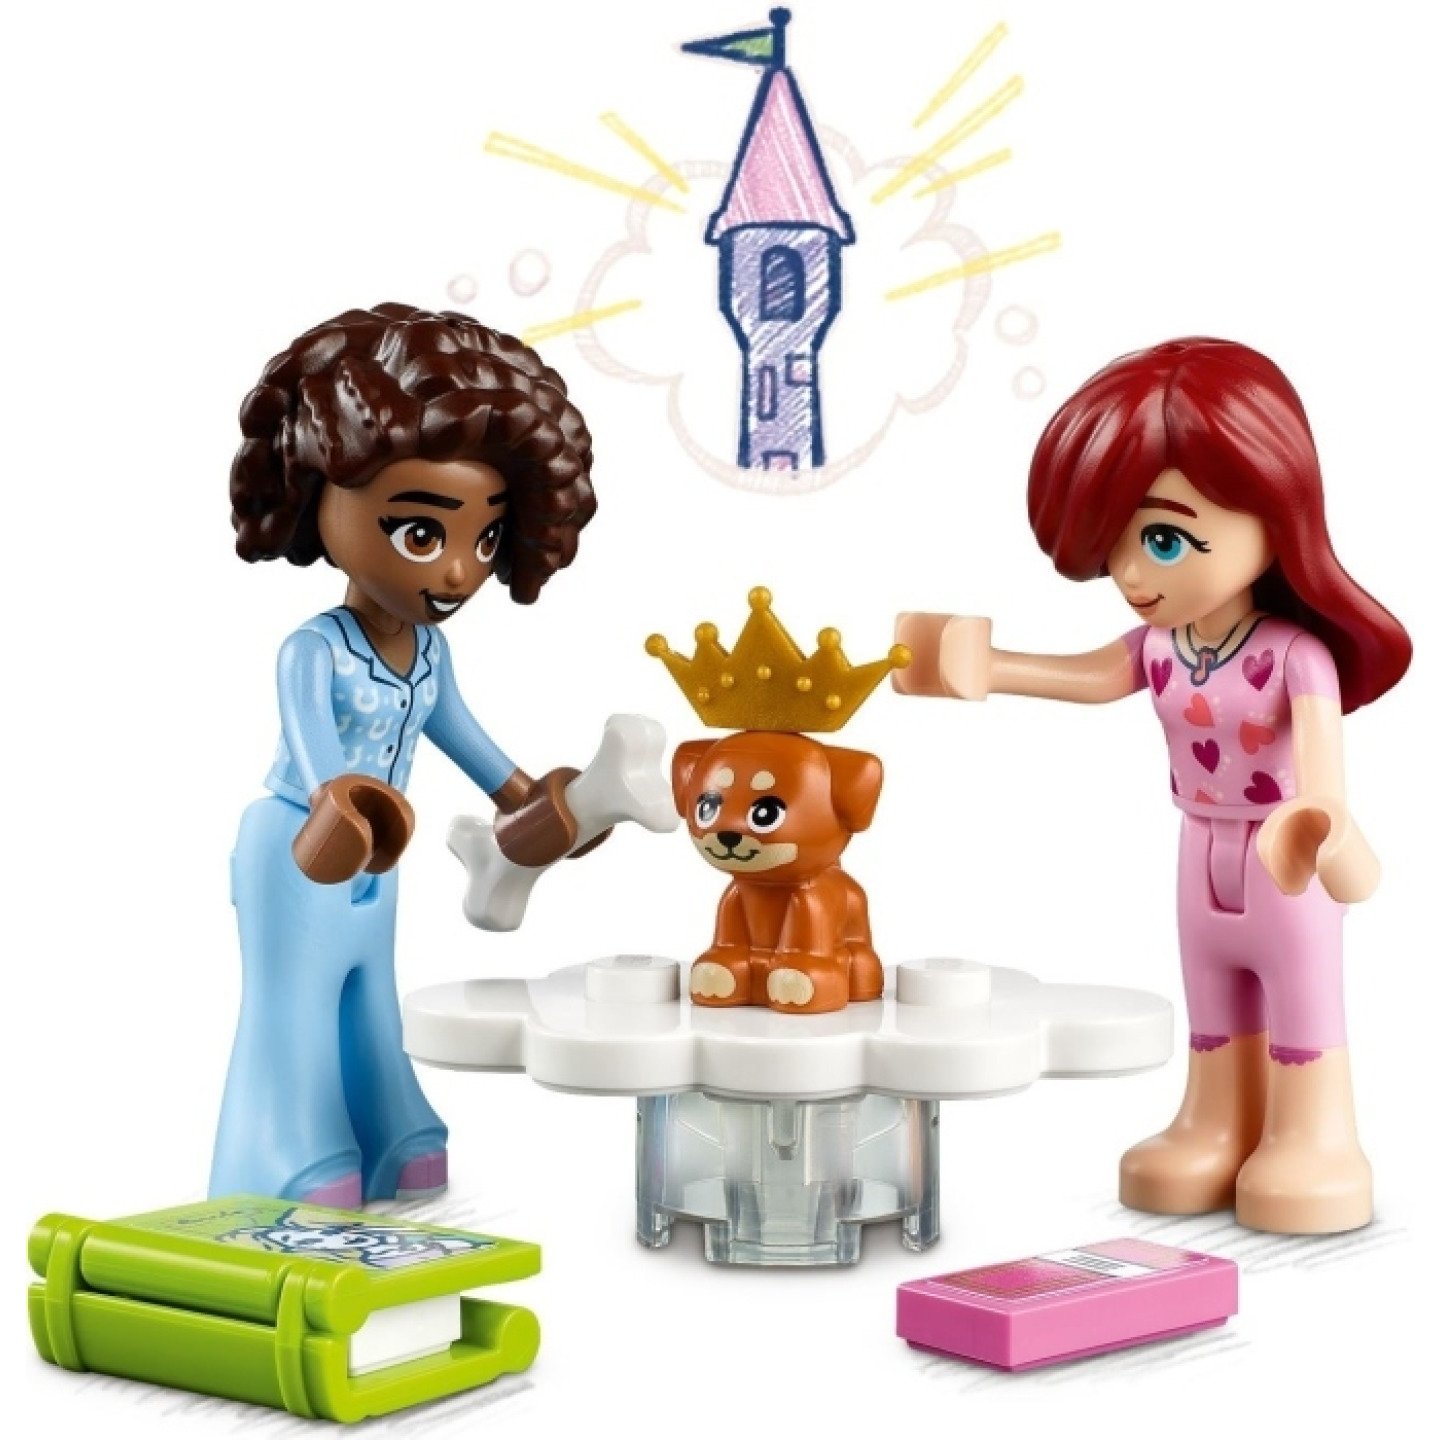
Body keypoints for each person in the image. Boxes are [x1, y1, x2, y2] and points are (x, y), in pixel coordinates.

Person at [895, 337, 1410, 1234]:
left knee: (1300, 992)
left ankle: (1316, 1136)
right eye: (1115, 546)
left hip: (1281, 856)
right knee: (1212, 988)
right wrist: (986, 667)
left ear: (1273, 508)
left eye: (1164, 539)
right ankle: (1216, 1122)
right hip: (1197, 842)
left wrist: (1324, 828)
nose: (1133, 574)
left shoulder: (1297, 656)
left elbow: (1326, 783)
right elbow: (1090, 676)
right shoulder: (1162, 646)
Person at [211, 303, 600, 1205]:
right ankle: (289, 1148)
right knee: (294, 1002)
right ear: (322, 502)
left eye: (485, 538)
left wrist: (531, 798)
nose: (459, 570)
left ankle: (391, 1127)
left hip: (380, 852)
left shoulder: (429, 652)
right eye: (422, 533)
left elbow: (464, 737)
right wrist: (339, 805)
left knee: (368, 993)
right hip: (301, 844)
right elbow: (318, 762)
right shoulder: (313, 649)